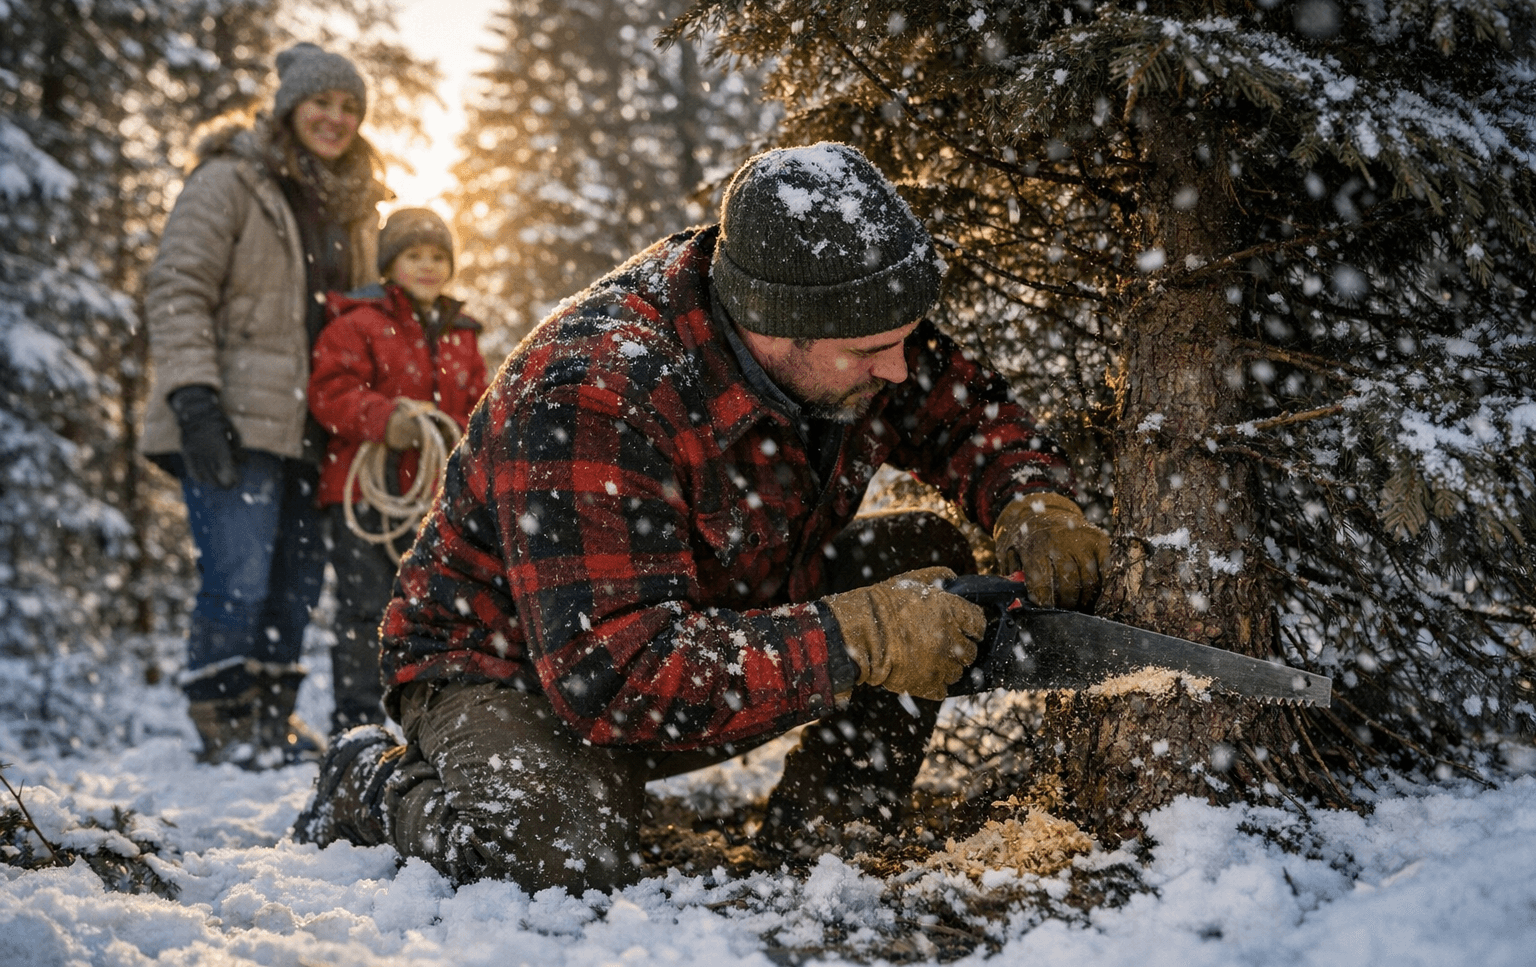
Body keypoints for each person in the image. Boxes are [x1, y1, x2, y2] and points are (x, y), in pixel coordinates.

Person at [293, 143, 1109, 890]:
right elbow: (614, 678)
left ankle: (829, 835)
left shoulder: (846, 321)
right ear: (775, 327)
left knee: (923, 563)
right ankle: (369, 780)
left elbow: (965, 414)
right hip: (515, 669)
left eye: (904, 340)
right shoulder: (593, 392)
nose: (898, 368)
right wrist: (860, 637)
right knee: (560, 859)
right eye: (869, 352)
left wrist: (1031, 496)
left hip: (709, 624)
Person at [141, 43, 389, 768]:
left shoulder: (356, 208)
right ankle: (225, 721)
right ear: (288, 108)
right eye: (322, 102)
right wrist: (193, 397)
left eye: (350, 107)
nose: (335, 118)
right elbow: (179, 285)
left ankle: (274, 718)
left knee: (296, 586)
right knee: (238, 579)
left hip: (318, 427)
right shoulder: (230, 181)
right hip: (233, 418)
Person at [308, 208, 488, 734]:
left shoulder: (463, 335)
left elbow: (479, 409)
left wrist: (446, 429)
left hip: (434, 495)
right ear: (391, 264)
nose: (428, 267)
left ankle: (421, 718)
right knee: (366, 608)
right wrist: (389, 421)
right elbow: (330, 393)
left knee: (431, 609)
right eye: (415, 256)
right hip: (362, 493)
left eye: (438, 257)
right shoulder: (357, 322)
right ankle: (359, 721)